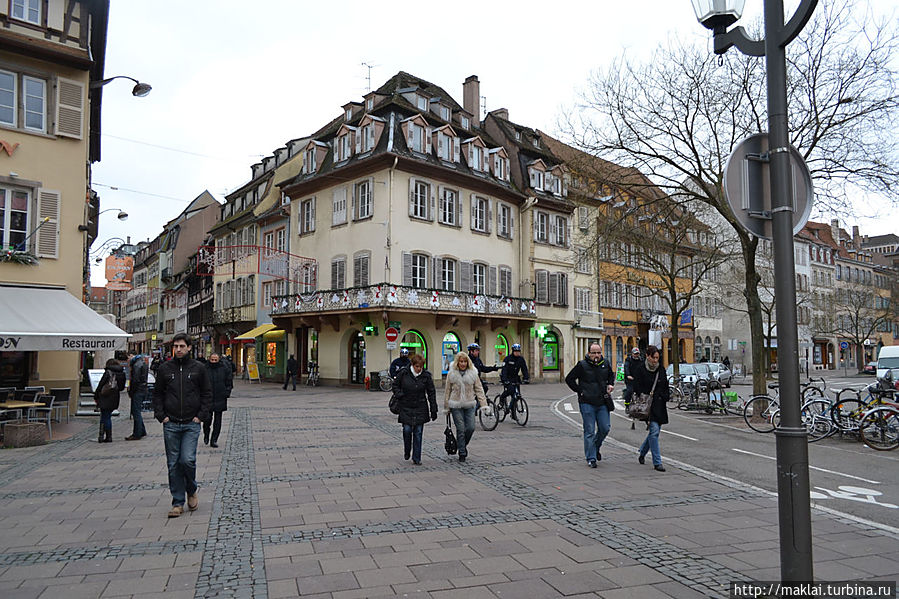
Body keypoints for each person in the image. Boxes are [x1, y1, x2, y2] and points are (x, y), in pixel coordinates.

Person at [153, 333, 212, 518]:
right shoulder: (165, 369)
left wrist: (201, 416)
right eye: (176, 346)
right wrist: (161, 416)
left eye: (181, 346)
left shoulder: (198, 369)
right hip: (170, 423)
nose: (178, 349)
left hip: (190, 423)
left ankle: (191, 489)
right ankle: (177, 502)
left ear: (188, 348)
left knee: (187, 460)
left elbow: (207, 393)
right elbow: (158, 394)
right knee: (173, 464)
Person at [565, 342, 615, 468]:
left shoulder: (605, 363)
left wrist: (610, 384)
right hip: (587, 402)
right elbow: (569, 379)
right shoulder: (582, 365)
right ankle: (591, 458)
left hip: (602, 401)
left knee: (605, 428)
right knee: (589, 431)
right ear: (589, 353)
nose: (596, 355)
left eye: (598, 352)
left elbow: (611, 376)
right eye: (594, 353)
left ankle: (596, 447)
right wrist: (579, 391)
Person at [444, 352, 490, 463]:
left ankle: (462, 445)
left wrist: (484, 405)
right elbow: (447, 390)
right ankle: (462, 453)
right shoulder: (452, 374)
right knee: (460, 429)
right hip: (456, 404)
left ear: (468, 362)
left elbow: (479, 389)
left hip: (469, 404)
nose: (463, 364)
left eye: (465, 361)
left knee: (470, 428)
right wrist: (446, 407)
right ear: (457, 362)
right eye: (461, 361)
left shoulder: (473, 373)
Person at [392, 353, 437, 465]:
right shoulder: (404, 373)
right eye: (417, 366)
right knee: (407, 430)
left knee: (418, 432)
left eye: (421, 367)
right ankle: (407, 450)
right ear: (412, 365)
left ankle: (417, 457)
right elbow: (395, 385)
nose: (419, 369)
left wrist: (433, 409)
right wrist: (399, 394)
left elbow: (431, 392)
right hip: (406, 405)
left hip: (420, 406)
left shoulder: (426, 375)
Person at [633, 345, 671, 472]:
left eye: (657, 358)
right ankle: (657, 462)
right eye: (653, 357)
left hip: (659, 405)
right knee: (654, 432)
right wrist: (644, 394)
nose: (655, 360)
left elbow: (665, 385)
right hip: (648, 405)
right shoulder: (640, 369)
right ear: (647, 356)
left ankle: (643, 452)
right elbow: (636, 386)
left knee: (654, 432)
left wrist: (665, 396)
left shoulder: (661, 369)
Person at [203, 353, 233, 448]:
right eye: (212, 360)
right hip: (208, 398)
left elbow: (229, 381)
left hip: (220, 396)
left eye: (216, 360)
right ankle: (206, 433)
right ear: (209, 359)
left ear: (219, 359)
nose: (214, 362)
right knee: (207, 419)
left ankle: (214, 439)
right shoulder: (205, 369)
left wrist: (227, 392)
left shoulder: (224, 368)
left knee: (218, 420)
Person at [94, 358, 125, 443]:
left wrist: (96, 395)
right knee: (107, 416)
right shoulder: (122, 373)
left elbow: (101, 384)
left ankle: (104, 436)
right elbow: (122, 387)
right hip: (115, 397)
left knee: (105, 416)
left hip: (105, 396)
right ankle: (107, 436)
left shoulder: (108, 372)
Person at [498, 343, 529, 421]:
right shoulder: (507, 359)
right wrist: (505, 380)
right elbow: (504, 370)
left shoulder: (521, 359)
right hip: (507, 378)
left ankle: (513, 413)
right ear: (513, 351)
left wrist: (526, 378)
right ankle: (501, 399)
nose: (517, 353)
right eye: (516, 351)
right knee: (510, 391)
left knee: (516, 396)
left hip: (515, 379)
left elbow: (524, 369)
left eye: (518, 351)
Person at [125, 352, 148, 441]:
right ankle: (142, 430)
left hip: (138, 390)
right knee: (137, 411)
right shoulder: (142, 362)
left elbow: (135, 380)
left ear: (132, 356)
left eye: (128, 357)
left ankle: (137, 433)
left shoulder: (136, 365)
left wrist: (131, 392)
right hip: (142, 389)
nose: (128, 359)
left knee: (136, 412)